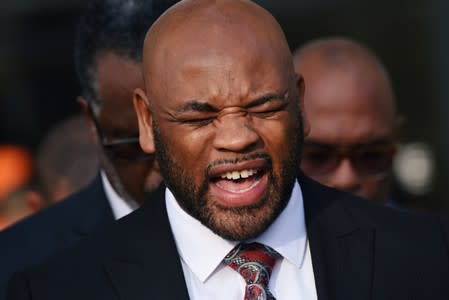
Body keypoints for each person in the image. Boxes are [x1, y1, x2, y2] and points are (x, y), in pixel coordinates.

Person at [7, 1, 449, 299]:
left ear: (299, 103)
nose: (237, 138)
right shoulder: (57, 287)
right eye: (199, 116)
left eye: (264, 106)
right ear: (147, 122)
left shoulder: (425, 257)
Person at [0, 0, 172, 297]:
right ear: (91, 123)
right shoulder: (18, 266)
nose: (161, 160)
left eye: (177, 131)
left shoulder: (263, 229)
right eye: (131, 142)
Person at [293, 37, 403, 205]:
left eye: (371, 157)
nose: (346, 180)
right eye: (317, 157)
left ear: (396, 140)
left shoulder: (426, 231)